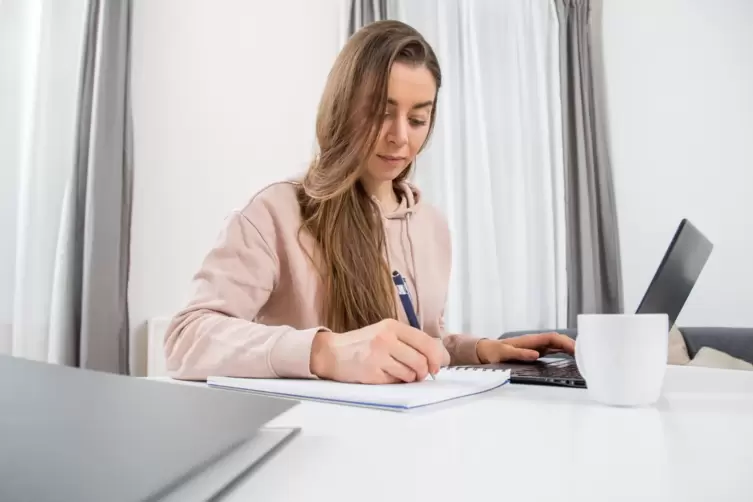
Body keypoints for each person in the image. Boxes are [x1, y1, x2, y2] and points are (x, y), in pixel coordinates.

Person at [163, 20, 575, 383]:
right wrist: (325, 353)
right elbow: (186, 339)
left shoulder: (430, 225)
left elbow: (418, 337)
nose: (400, 137)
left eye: (418, 119)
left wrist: (478, 351)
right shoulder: (275, 214)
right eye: (381, 112)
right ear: (343, 108)